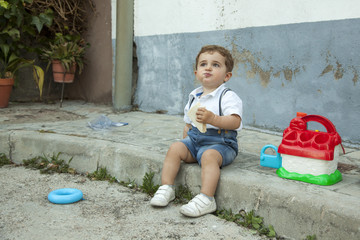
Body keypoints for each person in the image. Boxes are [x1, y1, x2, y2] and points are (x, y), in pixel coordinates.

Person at [150, 45, 243, 217]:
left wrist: (213, 119)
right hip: (196, 141)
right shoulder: (194, 96)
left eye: (215, 65)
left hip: (221, 144)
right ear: (196, 73)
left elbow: (235, 121)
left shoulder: (227, 96)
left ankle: (207, 198)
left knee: (208, 156)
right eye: (203, 64)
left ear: (226, 76)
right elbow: (188, 125)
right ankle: (166, 187)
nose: (208, 68)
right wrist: (186, 144)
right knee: (175, 148)